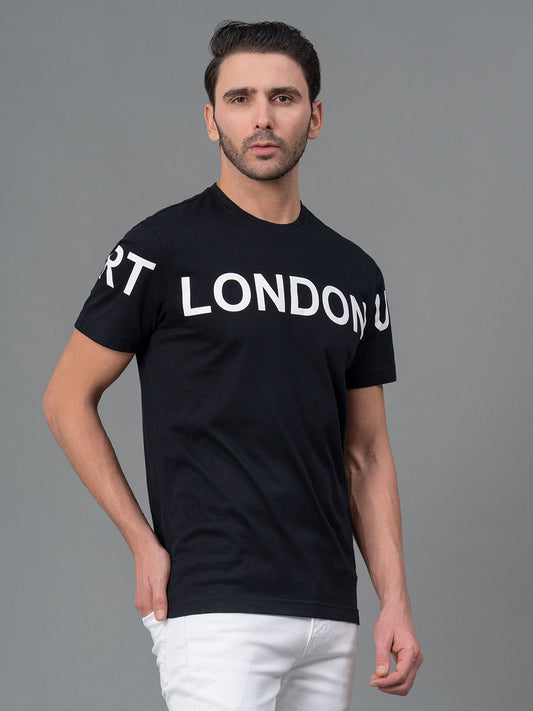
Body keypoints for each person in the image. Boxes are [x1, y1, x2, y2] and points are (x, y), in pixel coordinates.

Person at [43, 19, 422, 711]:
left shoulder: (354, 272)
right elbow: (66, 398)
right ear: (211, 119)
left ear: (314, 116)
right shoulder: (160, 248)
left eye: (283, 97)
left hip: (328, 609)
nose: (262, 117)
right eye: (240, 98)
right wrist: (141, 542)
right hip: (215, 602)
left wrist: (393, 600)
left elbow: (366, 453)